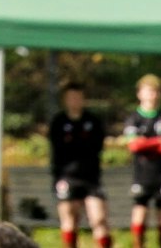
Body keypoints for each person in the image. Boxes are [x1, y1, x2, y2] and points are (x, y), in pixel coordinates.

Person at [49, 82, 111, 248]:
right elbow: (59, 150)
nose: (75, 101)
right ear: (65, 100)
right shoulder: (59, 122)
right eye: (71, 98)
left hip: (91, 179)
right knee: (69, 220)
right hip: (66, 177)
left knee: (99, 219)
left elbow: (96, 147)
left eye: (78, 97)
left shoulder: (93, 121)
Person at [122, 74, 161, 248]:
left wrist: (146, 143)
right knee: (139, 214)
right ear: (139, 93)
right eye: (148, 91)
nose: (151, 95)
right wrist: (158, 141)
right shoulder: (133, 118)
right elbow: (134, 146)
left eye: (155, 91)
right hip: (142, 174)